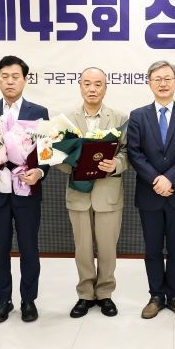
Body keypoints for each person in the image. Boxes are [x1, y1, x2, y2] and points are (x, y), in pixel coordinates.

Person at [0, 56, 49, 324]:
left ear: (25, 80)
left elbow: (46, 153)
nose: (10, 81)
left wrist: (40, 172)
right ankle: (3, 300)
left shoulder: (38, 111)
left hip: (27, 190)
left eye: (15, 76)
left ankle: (29, 300)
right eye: (4, 76)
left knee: (29, 247)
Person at [127, 61, 175, 320]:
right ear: (149, 83)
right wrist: (156, 179)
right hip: (150, 193)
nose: (163, 83)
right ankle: (156, 296)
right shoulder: (138, 116)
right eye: (157, 78)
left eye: (168, 78)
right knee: (153, 249)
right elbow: (134, 152)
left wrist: (170, 179)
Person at [58, 67, 128, 318]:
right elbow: (56, 155)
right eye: (87, 83)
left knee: (108, 248)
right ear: (80, 86)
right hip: (78, 193)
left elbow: (128, 152)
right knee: (83, 248)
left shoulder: (120, 118)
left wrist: (116, 164)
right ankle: (85, 294)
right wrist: (74, 163)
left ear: (105, 88)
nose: (92, 89)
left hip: (108, 192)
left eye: (98, 84)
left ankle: (105, 293)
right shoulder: (66, 120)